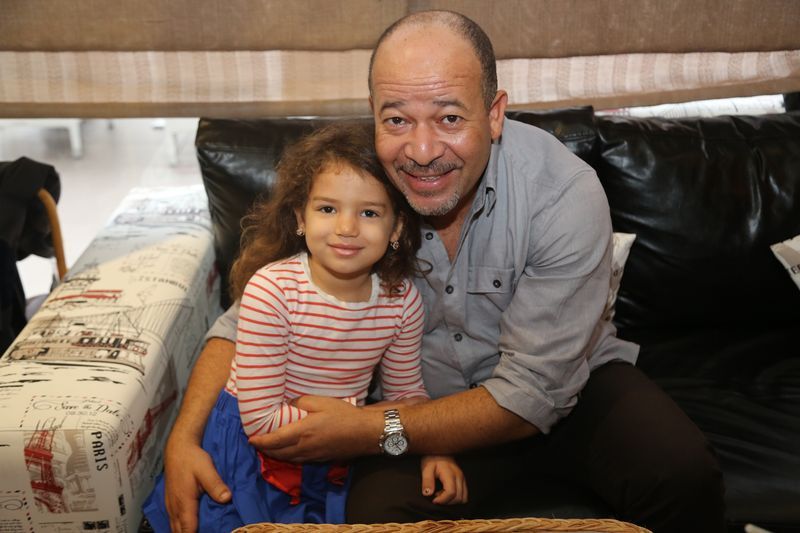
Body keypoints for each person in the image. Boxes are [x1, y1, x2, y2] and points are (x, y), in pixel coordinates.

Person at [160, 10, 726, 533]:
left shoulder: (563, 194)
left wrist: (370, 428)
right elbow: (249, 317)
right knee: (373, 515)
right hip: (427, 410)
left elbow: (533, 392)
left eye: (450, 117)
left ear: (494, 113)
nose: (423, 150)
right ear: (374, 113)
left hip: (570, 390)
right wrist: (184, 439)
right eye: (397, 119)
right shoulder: (364, 191)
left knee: (680, 471)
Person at [143, 122, 466, 531]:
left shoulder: (401, 301)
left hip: (336, 449)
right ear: (301, 216)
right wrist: (358, 421)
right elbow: (261, 422)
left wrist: (431, 448)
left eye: (369, 213)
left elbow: (406, 394)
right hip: (249, 453)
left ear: (397, 228)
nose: (346, 228)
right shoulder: (272, 291)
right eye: (328, 209)